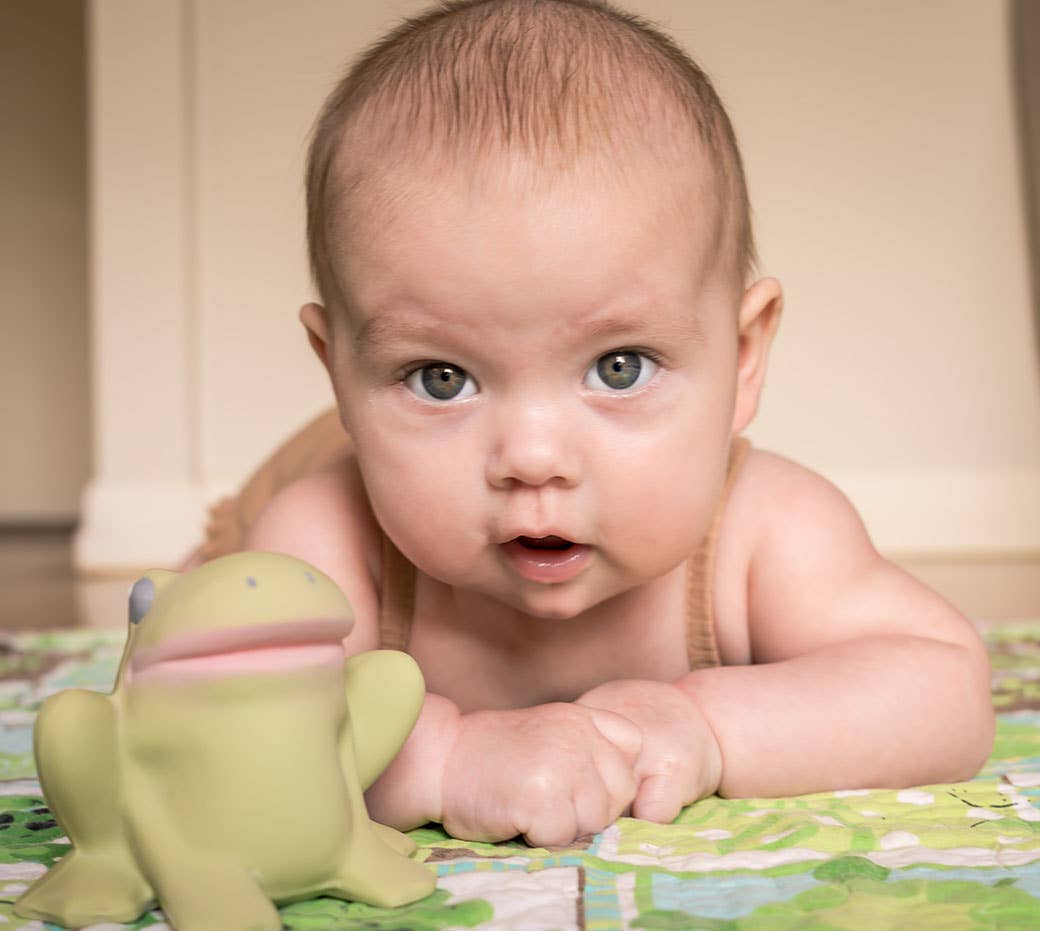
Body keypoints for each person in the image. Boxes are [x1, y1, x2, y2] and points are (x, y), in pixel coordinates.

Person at [188, 0, 993, 847]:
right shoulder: (328, 536)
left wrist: (706, 725)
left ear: (744, 355)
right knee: (223, 577)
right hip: (309, 469)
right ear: (339, 373)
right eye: (440, 377)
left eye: (620, 367)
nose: (533, 458)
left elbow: (943, 688)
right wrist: (439, 756)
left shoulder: (765, 528)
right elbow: (216, 732)